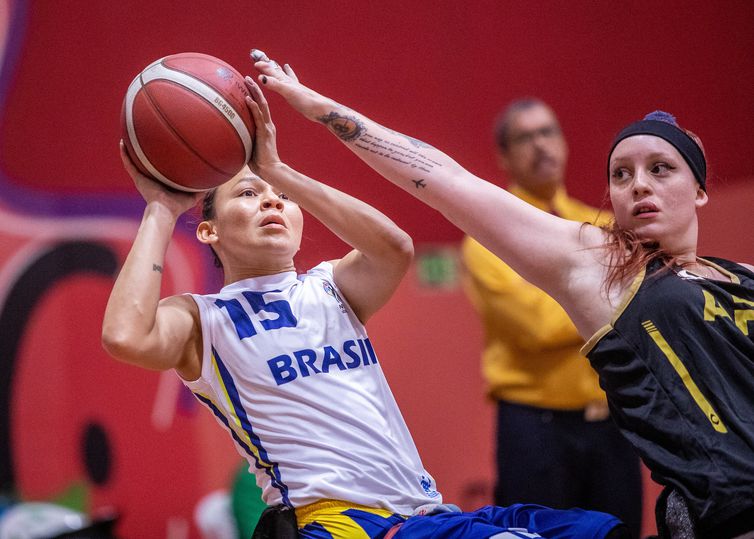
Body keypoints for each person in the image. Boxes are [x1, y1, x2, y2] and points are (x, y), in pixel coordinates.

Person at [101, 63, 625, 539]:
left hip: (420, 514)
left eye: (278, 196)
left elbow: (394, 246)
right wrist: (162, 210)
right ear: (209, 230)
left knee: (599, 531)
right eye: (247, 193)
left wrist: (282, 172)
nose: (270, 201)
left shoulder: (330, 286)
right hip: (337, 525)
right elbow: (125, 336)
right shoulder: (204, 319)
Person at [252, 49, 754, 538]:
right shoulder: (601, 262)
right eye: (621, 174)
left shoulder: (742, 276)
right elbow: (443, 178)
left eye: (660, 169)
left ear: (700, 190)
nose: (638, 185)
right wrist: (323, 112)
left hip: (610, 435)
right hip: (696, 493)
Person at [460, 99, 642, 535]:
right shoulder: (487, 237)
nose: (541, 145)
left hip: (613, 421)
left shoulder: (597, 222)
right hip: (536, 428)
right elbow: (537, 326)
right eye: (525, 137)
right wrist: (619, 301)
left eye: (549, 132)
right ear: (504, 157)